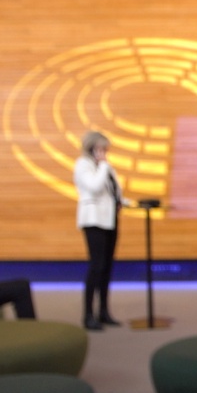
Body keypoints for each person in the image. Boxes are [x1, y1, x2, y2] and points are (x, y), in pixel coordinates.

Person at [74, 130, 128, 331]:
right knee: (96, 267)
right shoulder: (83, 165)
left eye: (106, 149)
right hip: (93, 220)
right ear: (92, 148)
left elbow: (113, 191)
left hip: (110, 219)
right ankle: (88, 315)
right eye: (101, 148)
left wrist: (125, 202)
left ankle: (103, 311)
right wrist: (103, 165)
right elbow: (94, 187)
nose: (105, 152)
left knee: (107, 267)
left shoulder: (105, 167)